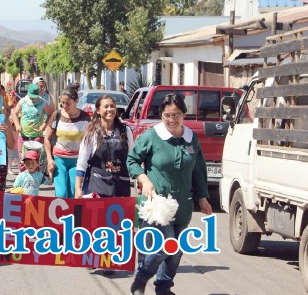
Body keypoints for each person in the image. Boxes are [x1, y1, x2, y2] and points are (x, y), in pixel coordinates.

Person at [126, 93, 212, 295]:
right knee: (165, 247)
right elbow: (131, 160)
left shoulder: (191, 138)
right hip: (157, 204)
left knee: (176, 251)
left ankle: (163, 288)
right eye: (167, 115)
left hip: (183, 202)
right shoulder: (151, 136)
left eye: (176, 115)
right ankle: (141, 277)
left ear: (184, 114)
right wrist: (143, 179)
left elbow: (198, 169)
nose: (171, 120)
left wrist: (203, 197)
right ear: (161, 115)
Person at [74, 94, 134, 199]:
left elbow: (131, 159)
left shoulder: (125, 131)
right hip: (97, 186)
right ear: (98, 110)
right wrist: (78, 188)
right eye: (106, 106)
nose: (110, 109)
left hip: (121, 187)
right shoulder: (91, 133)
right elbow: (82, 162)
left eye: (112, 106)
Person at [44, 87, 90, 198]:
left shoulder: (85, 118)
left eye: (68, 103)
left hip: (77, 160)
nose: (65, 106)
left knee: (74, 193)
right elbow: (47, 139)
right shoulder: (57, 115)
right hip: (59, 159)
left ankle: (73, 215)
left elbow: (90, 140)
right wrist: (49, 159)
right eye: (62, 103)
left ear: (76, 101)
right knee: (61, 194)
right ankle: (61, 214)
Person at [11, 84, 47, 158]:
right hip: (23, 134)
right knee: (23, 157)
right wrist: (17, 125)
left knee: (35, 158)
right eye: (31, 96)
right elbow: (15, 113)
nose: (32, 98)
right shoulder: (23, 101)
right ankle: (23, 169)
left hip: (37, 135)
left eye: (34, 96)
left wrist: (43, 125)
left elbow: (49, 116)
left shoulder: (43, 102)